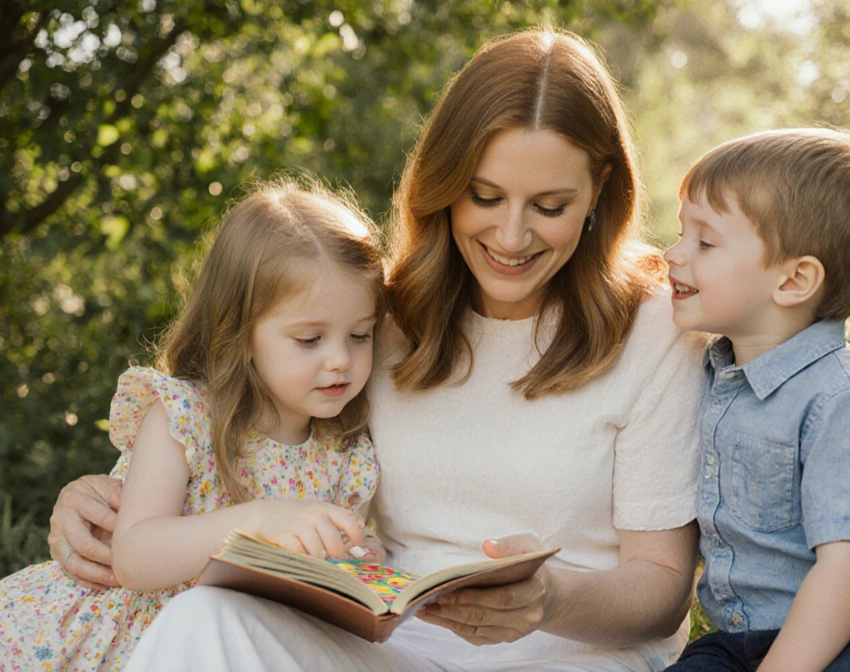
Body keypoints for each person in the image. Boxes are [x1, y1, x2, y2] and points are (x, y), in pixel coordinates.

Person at [49, 28, 709, 671]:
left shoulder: (655, 326)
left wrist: (549, 599)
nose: (511, 236)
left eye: (549, 206)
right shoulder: (376, 319)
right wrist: (102, 494)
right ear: (445, 183)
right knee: (206, 619)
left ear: (599, 187)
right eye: (484, 196)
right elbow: (238, 432)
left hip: (573, 653)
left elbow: (660, 588)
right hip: (392, 647)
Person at [0, 179, 387, 672]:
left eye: (360, 335)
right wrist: (258, 521)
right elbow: (134, 556)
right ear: (241, 333)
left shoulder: (345, 453)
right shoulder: (184, 415)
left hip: (216, 645)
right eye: (310, 339)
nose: (341, 359)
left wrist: (354, 560)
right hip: (97, 624)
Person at [662, 128, 850, 672]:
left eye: (704, 242)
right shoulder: (712, 369)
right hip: (744, 635)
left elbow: (849, 571)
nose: (673, 254)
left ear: (794, 280)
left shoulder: (842, 399)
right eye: (681, 233)